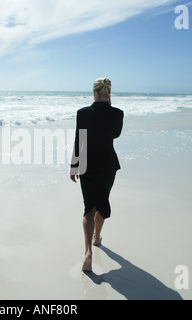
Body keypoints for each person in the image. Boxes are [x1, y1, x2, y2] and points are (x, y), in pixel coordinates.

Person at [70, 77, 124, 272]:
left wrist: (73, 166)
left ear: (93, 92)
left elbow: (79, 140)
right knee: (102, 203)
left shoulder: (82, 113)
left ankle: (87, 253)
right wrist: (110, 108)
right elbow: (115, 134)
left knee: (89, 209)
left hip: (87, 166)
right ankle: (97, 238)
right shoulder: (117, 114)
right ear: (108, 94)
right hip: (108, 166)